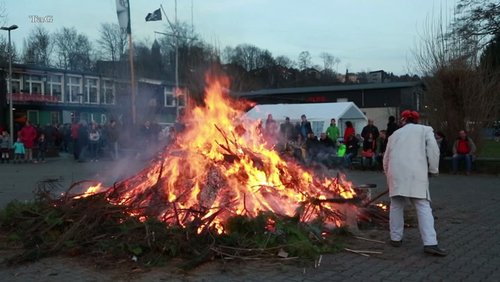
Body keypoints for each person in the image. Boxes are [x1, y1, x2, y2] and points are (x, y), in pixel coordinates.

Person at [383, 110, 447, 256]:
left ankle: (395, 238)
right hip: (416, 173)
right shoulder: (425, 130)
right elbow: (433, 151)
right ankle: (430, 243)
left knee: (396, 205)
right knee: (422, 205)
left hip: (396, 173)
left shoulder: (394, 135)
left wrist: (389, 175)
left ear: (403, 120)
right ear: (417, 120)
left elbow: (386, 158)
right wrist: (433, 169)